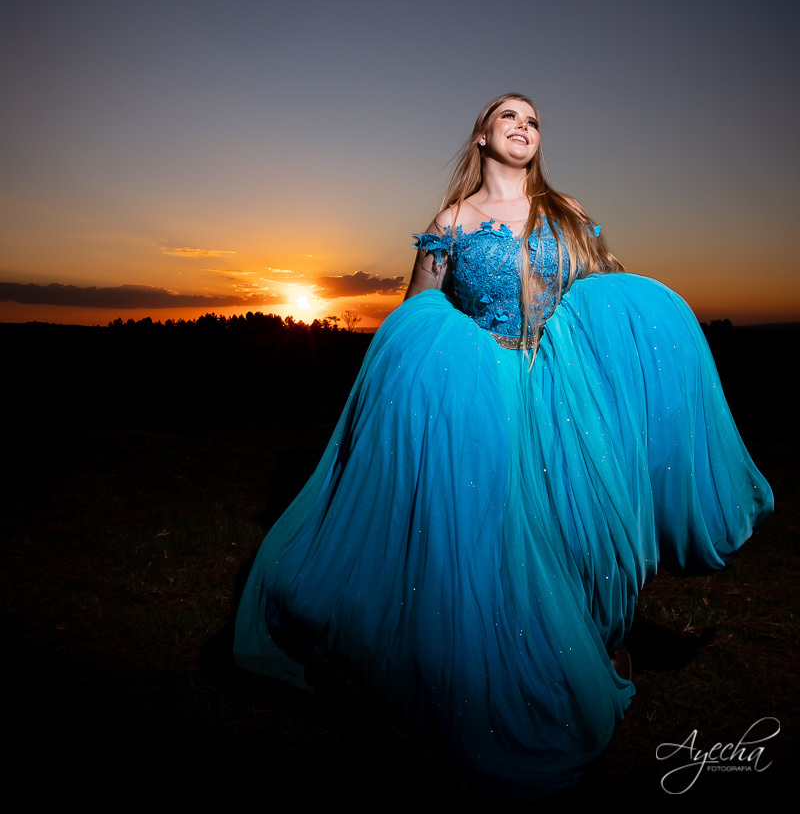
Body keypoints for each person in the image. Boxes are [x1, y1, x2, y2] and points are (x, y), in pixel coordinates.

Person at [234, 93, 772, 797]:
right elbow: (416, 313)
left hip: (559, 385)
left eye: (534, 120)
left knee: (573, 519)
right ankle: (503, 657)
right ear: (482, 137)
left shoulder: (566, 211)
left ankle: (596, 635)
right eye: (508, 117)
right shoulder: (452, 221)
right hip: (480, 393)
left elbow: (600, 294)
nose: (523, 126)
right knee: (501, 530)